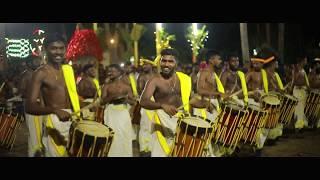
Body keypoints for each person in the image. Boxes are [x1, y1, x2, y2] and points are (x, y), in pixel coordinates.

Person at [26, 33, 81, 157]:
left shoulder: (68, 70)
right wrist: (55, 110)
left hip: (72, 119)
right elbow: (29, 106)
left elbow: (71, 96)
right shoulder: (41, 73)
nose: (58, 52)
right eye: (54, 48)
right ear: (46, 49)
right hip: (54, 121)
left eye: (61, 48)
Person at [140, 48, 192, 157]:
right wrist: (162, 105)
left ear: (176, 63)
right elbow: (143, 101)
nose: (166, 64)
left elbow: (189, 99)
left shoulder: (184, 79)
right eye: (163, 61)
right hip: (161, 121)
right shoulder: (154, 80)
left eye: (170, 61)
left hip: (181, 121)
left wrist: (203, 103)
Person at [101, 64, 136, 157]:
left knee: (124, 135)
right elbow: (102, 102)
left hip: (123, 113)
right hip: (111, 112)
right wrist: (112, 97)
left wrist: (126, 100)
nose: (110, 73)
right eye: (109, 71)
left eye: (113, 71)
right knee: (112, 136)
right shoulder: (106, 86)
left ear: (119, 72)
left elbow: (133, 102)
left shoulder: (126, 86)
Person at [19, 55, 42, 157]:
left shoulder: (36, 74)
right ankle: (32, 154)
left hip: (38, 106)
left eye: (38, 61)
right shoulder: (26, 75)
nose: (38, 63)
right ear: (29, 63)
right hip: (32, 106)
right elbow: (22, 91)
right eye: (35, 61)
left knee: (39, 133)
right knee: (33, 134)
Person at [137, 59, 157, 156]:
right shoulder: (142, 77)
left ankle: (153, 145)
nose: (144, 66)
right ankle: (144, 148)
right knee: (145, 126)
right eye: (143, 65)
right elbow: (140, 92)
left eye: (146, 64)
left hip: (156, 104)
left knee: (154, 125)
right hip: (147, 103)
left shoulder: (156, 76)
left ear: (151, 65)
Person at [292, 55, 309, 132]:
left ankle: (301, 124)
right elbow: (295, 81)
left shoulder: (302, 69)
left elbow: (305, 81)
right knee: (298, 108)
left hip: (302, 91)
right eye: (305, 60)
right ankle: (297, 126)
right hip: (298, 90)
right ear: (302, 61)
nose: (306, 62)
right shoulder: (296, 69)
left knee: (301, 109)